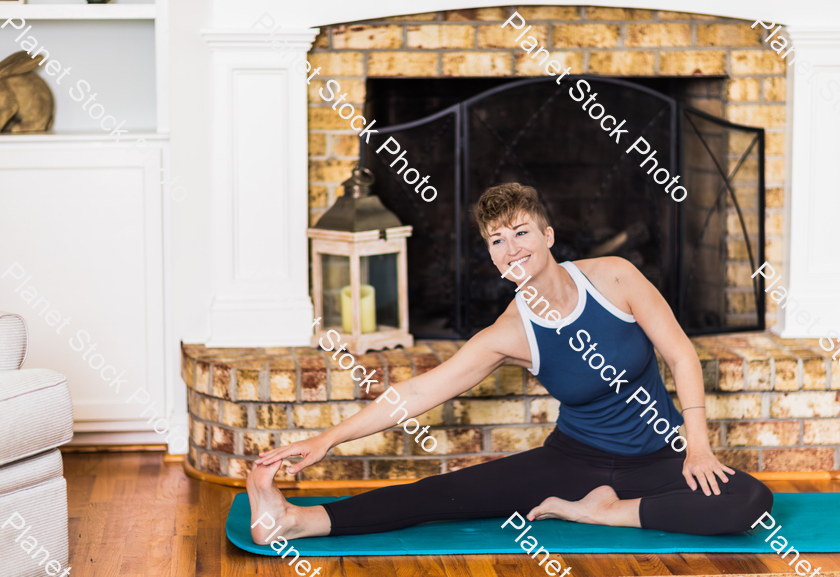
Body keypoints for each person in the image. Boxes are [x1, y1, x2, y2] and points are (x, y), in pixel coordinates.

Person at [248, 183, 773, 543]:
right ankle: (296, 520)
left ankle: (606, 511)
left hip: (661, 455)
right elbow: (417, 393)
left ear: (548, 236)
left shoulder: (614, 277)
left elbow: (681, 354)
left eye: (521, 232)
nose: (510, 248)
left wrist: (697, 447)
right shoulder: (509, 332)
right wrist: (326, 439)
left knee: (749, 500)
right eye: (496, 241)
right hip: (573, 461)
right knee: (444, 494)